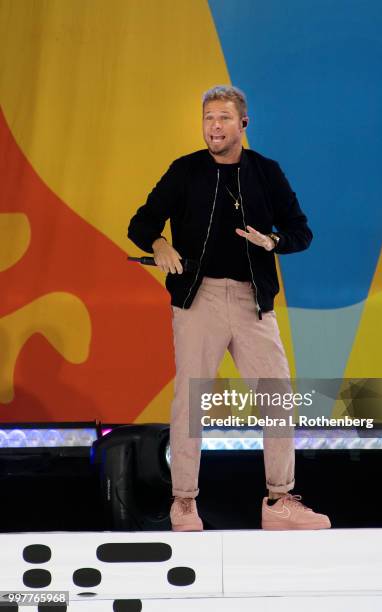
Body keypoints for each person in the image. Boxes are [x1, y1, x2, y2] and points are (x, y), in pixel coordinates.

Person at [128, 85, 330, 531]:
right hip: (197, 299)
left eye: (222, 118)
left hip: (250, 301)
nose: (213, 126)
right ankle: (184, 502)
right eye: (207, 118)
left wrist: (271, 241)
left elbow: (301, 231)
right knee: (189, 400)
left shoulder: (266, 172)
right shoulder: (185, 171)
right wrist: (160, 244)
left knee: (276, 395)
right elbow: (140, 223)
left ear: (243, 124)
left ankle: (280, 502)